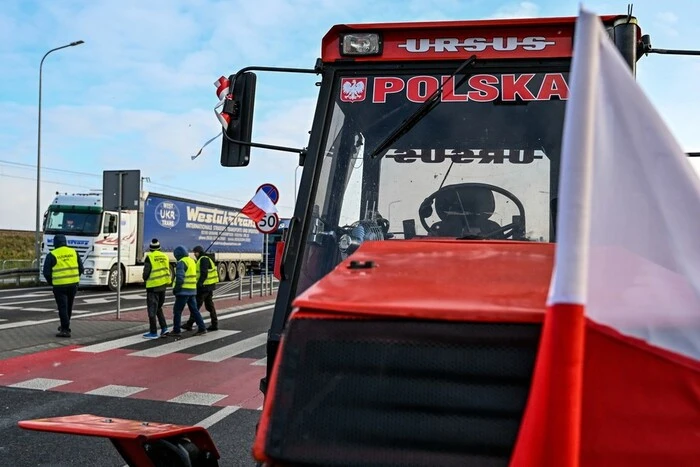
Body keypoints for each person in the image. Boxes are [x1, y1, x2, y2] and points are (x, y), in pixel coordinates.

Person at [43, 234, 84, 338]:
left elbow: (46, 272)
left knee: (62, 307)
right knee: (69, 306)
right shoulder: (74, 252)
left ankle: (65, 330)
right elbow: (81, 269)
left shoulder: (52, 254)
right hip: (73, 284)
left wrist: (52, 282)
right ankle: (65, 326)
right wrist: (75, 278)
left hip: (60, 286)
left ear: (55, 243)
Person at [170, 245, 207, 337]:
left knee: (177, 311)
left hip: (183, 291)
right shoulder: (192, 261)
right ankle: (202, 328)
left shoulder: (181, 262)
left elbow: (180, 278)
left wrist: (176, 289)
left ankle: (176, 330)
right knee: (194, 310)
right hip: (192, 290)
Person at [183, 245, 219, 332]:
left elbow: (204, 273)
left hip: (204, 287)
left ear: (198, 252)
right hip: (209, 286)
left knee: (196, 306)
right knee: (210, 306)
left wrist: (199, 285)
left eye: (195, 252)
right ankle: (214, 324)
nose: (194, 254)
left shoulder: (203, 259)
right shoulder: (206, 258)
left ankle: (190, 324)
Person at [141, 238, 170, 339]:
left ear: (150, 248)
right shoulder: (165, 256)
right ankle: (164, 328)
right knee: (158, 308)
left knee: (152, 310)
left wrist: (144, 278)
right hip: (163, 286)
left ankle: (153, 332)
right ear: (159, 248)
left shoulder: (150, 257)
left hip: (153, 287)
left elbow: (146, 273)